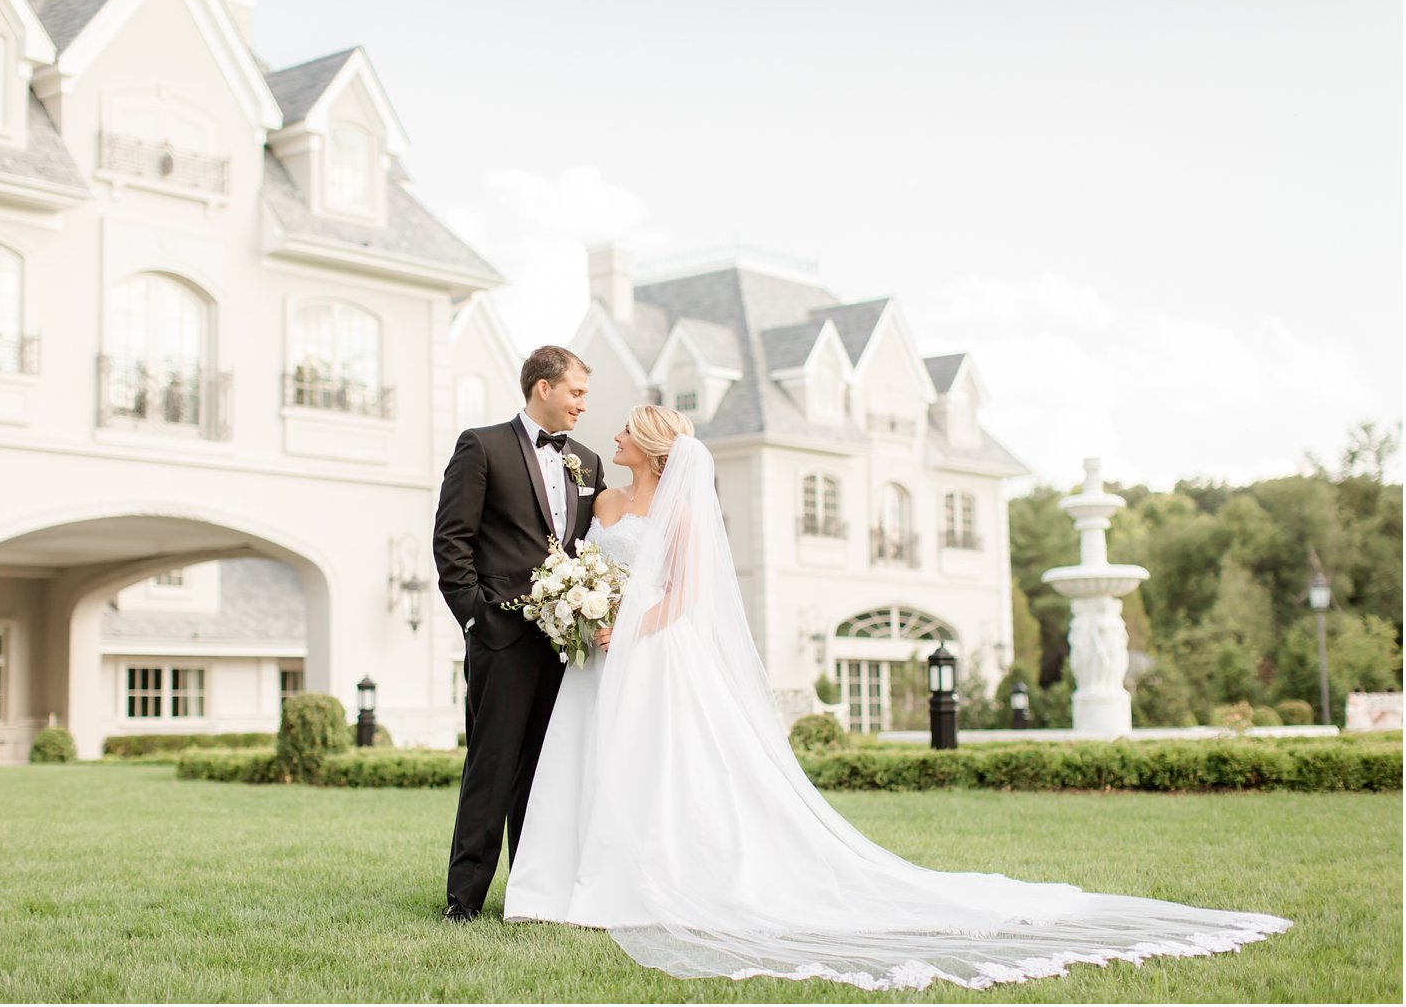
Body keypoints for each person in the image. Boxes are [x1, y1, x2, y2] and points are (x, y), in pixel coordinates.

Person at [504, 405, 1291, 991]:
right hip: (597, 657)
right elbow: (592, 567)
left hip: (654, 652)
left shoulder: (679, 515)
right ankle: (572, 878)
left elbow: (683, 594)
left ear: (650, 447)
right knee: (592, 761)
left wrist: (628, 628)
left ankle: (649, 873)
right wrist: (584, 607)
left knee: (668, 768)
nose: (611, 437)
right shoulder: (602, 503)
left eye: (626, 432)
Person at [432, 345, 606, 923]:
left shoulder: (588, 460)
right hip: (501, 636)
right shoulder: (481, 446)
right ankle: (465, 898)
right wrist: (475, 616)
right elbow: (452, 538)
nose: (584, 403)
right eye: (576, 392)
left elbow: (590, 548)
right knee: (493, 763)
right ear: (543, 388)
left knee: (547, 770)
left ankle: (533, 894)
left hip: (568, 647)